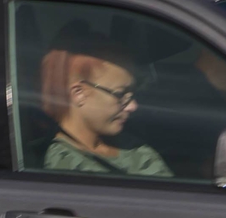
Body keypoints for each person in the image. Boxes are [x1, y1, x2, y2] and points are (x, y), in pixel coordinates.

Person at [38, 32, 171, 177]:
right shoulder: (67, 169)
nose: (133, 106)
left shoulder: (124, 141)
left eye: (131, 95)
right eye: (120, 95)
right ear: (79, 94)